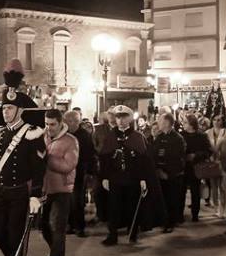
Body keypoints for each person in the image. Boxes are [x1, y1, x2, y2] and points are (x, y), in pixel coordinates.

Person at [0, 59, 46, 256]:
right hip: (1, 192)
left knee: (14, 235)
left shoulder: (31, 134)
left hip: (21, 192)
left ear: (19, 110)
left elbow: (39, 167)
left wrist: (35, 195)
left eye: (9, 109)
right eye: (3, 109)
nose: (5, 112)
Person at [100, 105, 150, 245]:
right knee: (113, 207)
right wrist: (104, 177)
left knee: (132, 205)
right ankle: (112, 234)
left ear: (129, 118)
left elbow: (143, 160)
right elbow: (104, 159)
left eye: (123, 117)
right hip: (115, 177)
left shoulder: (137, 137)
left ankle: (133, 232)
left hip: (132, 177)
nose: (120, 120)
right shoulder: (110, 137)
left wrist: (142, 178)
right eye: (118, 117)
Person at [41, 109, 78, 256]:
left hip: (63, 189)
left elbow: (68, 166)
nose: (49, 128)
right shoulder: (43, 137)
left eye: (52, 124)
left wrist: (47, 158)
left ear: (60, 122)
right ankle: (54, 249)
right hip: (45, 189)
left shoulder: (71, 141)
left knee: (58, 225)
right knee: (43, 225)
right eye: (47, 124)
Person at [150, 113, 185, 232]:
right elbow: (154, 154)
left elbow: (177, 158)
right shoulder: (159, 137)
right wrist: (157, 169)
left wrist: (168, 173)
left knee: (172, 199)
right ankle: (162, 220)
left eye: (160, 121)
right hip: (160, 174)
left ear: (166, 123)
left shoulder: (177, 138)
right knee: (162, 199)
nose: (158, 123)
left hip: (172, 175)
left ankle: (171, 222)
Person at [64, 110, 94, 236]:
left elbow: (89, 155)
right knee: (67, 200)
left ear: (74, 122)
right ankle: (70, 225)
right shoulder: (64, 134)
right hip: (65, 172)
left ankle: (79, 227)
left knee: (77, 200)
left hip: (79, 172)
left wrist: (90, 171)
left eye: (67, 121)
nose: (65, 124)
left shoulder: (84, 135)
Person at [181, 114, 213, 222]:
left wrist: (196, 155)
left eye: (185, 122)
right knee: (181, 191)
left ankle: (195, 213)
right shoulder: (181, 135)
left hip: (196, 167)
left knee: (195, 191)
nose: (183, 124)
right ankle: (180, 214)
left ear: (191, 124)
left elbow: (209, 151)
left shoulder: (202, 136)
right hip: (184, 167)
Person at [206, 115, 226, 218]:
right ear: (212, 121)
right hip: (212, 162)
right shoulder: (207, 133)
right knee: (213, 186)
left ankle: (222, 208)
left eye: (219, 120)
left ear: (222, 121)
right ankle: (216, 207)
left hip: (223, 162)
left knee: (222, 186)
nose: (217, 122)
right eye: (215, 120)